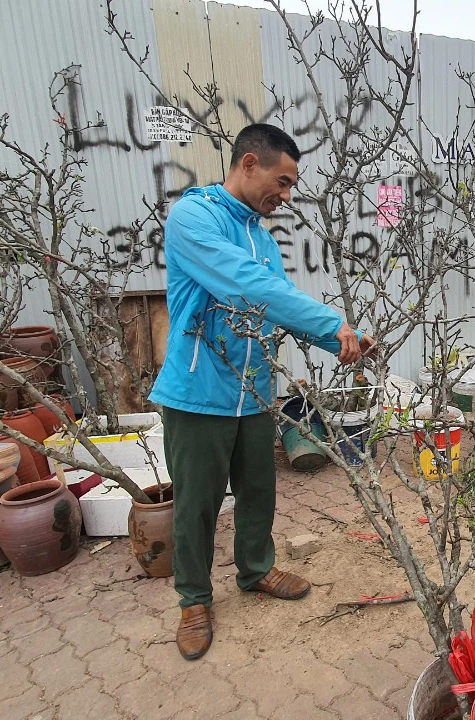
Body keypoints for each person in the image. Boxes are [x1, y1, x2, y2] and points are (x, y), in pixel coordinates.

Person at [149, 124, 375, 661]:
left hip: (252, 392)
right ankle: (194, 600)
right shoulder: (193, 218)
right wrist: (331, 320)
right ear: (249, 164)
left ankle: (254, 570)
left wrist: (337, 338)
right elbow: (245, 285)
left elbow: (275, 301)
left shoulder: (262, 237)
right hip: (198, 392)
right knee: (198, 506)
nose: (287, 195)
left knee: (258, 493)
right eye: (282, 180)